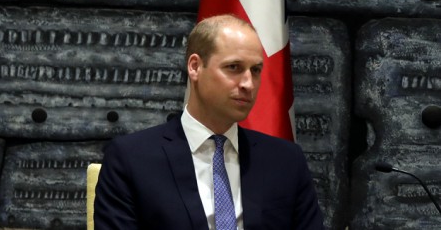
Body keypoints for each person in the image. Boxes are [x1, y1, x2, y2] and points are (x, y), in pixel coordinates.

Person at [94, 14, 324, 229]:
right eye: (233, 67)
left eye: (255, 70)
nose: (248, 84)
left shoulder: (285, 160)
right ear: (195, 67)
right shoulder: (131, 158)